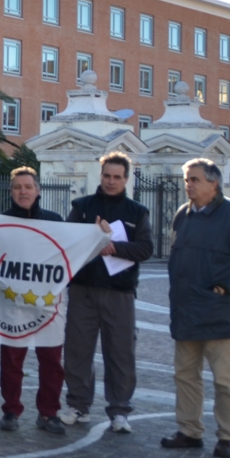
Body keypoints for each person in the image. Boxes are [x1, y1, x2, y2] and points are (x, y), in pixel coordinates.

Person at [161, 158, 230, 458]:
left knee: (224, 380)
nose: (188, 185)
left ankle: (228, 436)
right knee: (185, 376)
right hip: (185, 313)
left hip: (219, 316)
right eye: (186, 179)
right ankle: (189, 431)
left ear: (213, 183)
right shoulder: (183, 215)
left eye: (194, 179)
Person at [60, 151, 152, 433]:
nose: (111, 182)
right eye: (107, 176)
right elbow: (67, 242)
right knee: (77, 352)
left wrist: (114, 247)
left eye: (117, 177)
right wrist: (93, 235)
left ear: (126, 179)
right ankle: (78, 405)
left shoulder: (138, 212)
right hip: (83, 291)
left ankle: (119, 411)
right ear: (99, 176)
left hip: (120, 294)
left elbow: (146, 249)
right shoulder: (83, 206)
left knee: (121, 354)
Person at [0, 167, 66, 435]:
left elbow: (69, 256)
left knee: (51, 360)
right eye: (17, 187)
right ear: (11, 192)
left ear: (38, 190)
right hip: (13, 304)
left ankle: (49, 413)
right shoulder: (0, 223)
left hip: (49, 303)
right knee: (12, 361)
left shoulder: (55, 221)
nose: (23, 192)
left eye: (27, 187)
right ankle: (10, 410)